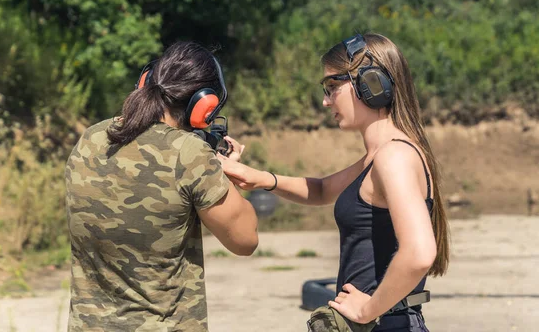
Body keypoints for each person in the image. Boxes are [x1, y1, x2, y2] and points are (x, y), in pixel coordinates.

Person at [219, 33, 449, 331]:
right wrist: (260, 178)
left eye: (332, 87)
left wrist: (368, 309)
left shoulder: (394, 157)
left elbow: (419, 254)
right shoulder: (380, 156)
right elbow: (322, 189)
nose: (326, 101)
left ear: (371, 85)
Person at [65, 41, 258, 332]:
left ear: (145, 81)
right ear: (204, 105)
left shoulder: (91, 139)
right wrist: (225, 175)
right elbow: (245, 240)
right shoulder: (188, 154)